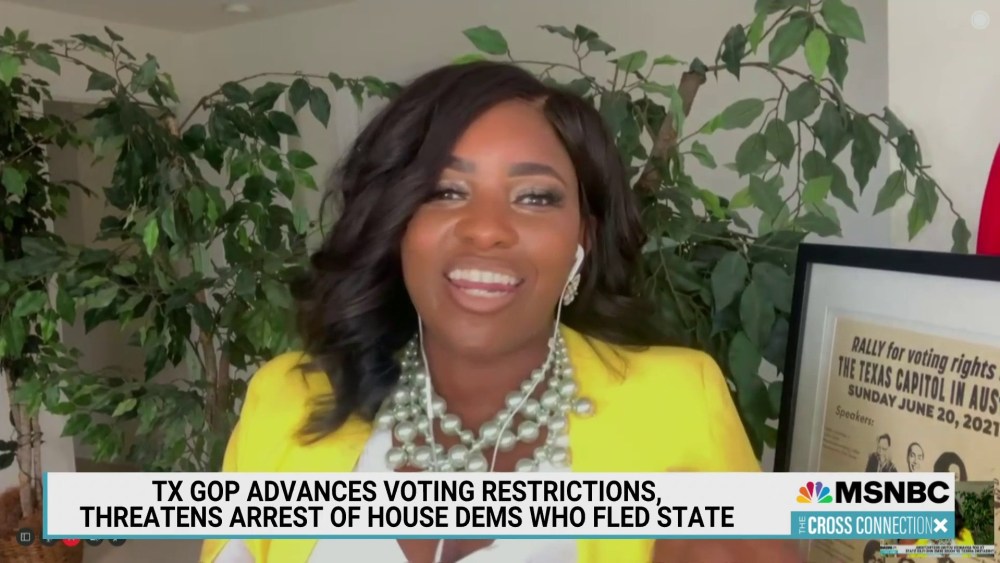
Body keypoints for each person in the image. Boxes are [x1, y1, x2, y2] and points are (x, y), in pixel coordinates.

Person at [198, 61, 803, 563]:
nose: (486, 229)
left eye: (535, 197)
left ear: (582, 239)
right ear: (396, 224)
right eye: (445, 191)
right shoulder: (285, 399)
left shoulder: (679, 401)